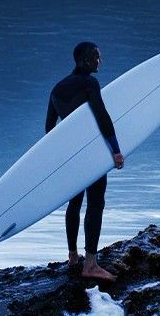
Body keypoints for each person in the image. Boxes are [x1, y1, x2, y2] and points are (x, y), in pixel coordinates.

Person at [46, 41, 124, 282]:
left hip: (71, 155)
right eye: (96, 56)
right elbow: (102, 115)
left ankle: (72, 256)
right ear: (83, 60)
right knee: (96, 203)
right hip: (90, 152)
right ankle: (90, 264)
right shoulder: (90, 82)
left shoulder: (57, 89)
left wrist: (60, 157)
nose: (99, 60)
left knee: (75, 203)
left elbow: (50, 129)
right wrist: (116, 150)